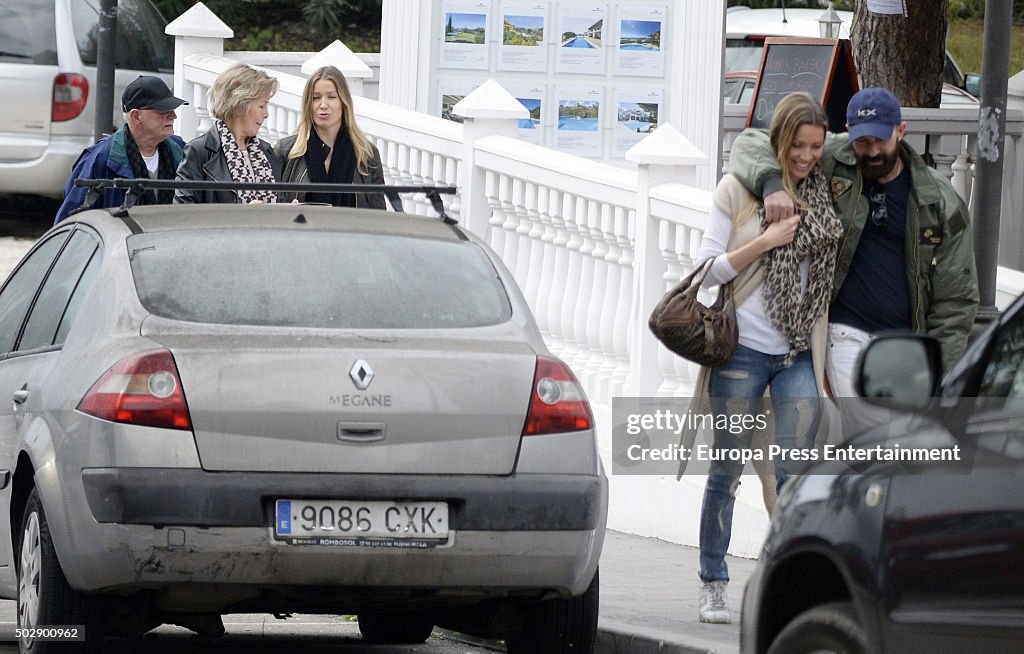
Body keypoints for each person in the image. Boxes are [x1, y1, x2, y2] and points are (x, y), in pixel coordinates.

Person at [728, 87, 980, 435]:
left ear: (901, 131)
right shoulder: (834, 158)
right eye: (863, 142)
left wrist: (939, 369)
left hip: (908, 344)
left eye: (881, 140)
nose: (873, 151)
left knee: (906, 444)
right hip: (845, 333)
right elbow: (750, 143)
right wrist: (772, 183)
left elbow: (957, 298)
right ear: (849, 133)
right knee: (873, 433)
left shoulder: (939, 200)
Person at [693, 92, 840, 624]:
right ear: (779, 140)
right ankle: (713, 580)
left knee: (794, 473)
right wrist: (768, 239)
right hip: (744, 352)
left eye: (815, 146)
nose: (805, 156)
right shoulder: (739, 189)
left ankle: (785, 577)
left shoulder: (824, 194)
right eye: (797, 145)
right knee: (727, 469)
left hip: (797, 352)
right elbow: (707, 270)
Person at [55, 76, 187, 222]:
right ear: (136, 116)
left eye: (172, 110)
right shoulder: (100, 159)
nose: (173, 116)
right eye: (162, 111)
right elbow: (70, 220)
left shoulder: (181, 150)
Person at [274, 65, 399, 210]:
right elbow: (273, 209)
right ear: (308, 104)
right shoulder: (286, 150)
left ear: (343, 102)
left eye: (331, 97)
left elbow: (378, 216)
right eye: (315, 98)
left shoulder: (367, 154)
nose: (323, 105)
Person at [175, 63, 281, 204]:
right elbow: (184, 212)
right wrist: (240, 216)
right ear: (238, 106)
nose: (266, 114)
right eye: (261, 106)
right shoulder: (199, 151)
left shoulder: (267, 151)